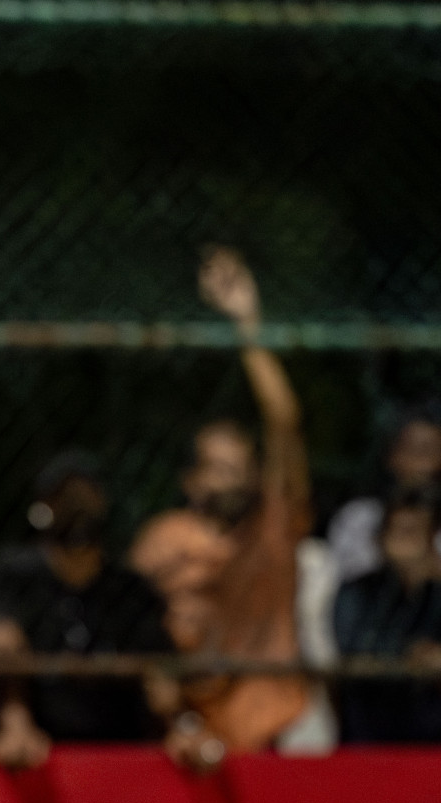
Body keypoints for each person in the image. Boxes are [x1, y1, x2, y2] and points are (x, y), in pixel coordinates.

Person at [130, 246, 313, 770]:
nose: (232, 477)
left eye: (241, 466)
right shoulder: (165, 538)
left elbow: (284, 423)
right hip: (186, 732)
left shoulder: (274, 524)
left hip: (278, 724)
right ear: (191, 480)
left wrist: (248, 324)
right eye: (218, 466)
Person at [0, 450, 170, 769]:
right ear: (43, 507)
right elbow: (2, 656)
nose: (76, 510)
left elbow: (160, 674)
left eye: (85, 497)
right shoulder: (15, 577)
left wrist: (182, 726)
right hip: (39, 750)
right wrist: (16, 724)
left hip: (120, 749)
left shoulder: (130, 591)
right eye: (64, 498)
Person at [333, 487, 441, 742]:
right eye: (399, 532)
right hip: (375, 721)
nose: (407, 544)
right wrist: (412, 653)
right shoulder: (359, 591)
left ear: (434, 538)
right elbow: (352, 643)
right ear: (381, 539)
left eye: (416, 533)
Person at [328, 404, 441, 611]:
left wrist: (431, 568)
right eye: (411, 450)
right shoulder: (359, 517)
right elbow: (345, 582)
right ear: (392, 458)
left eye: (430, 451)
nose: (420, 465)